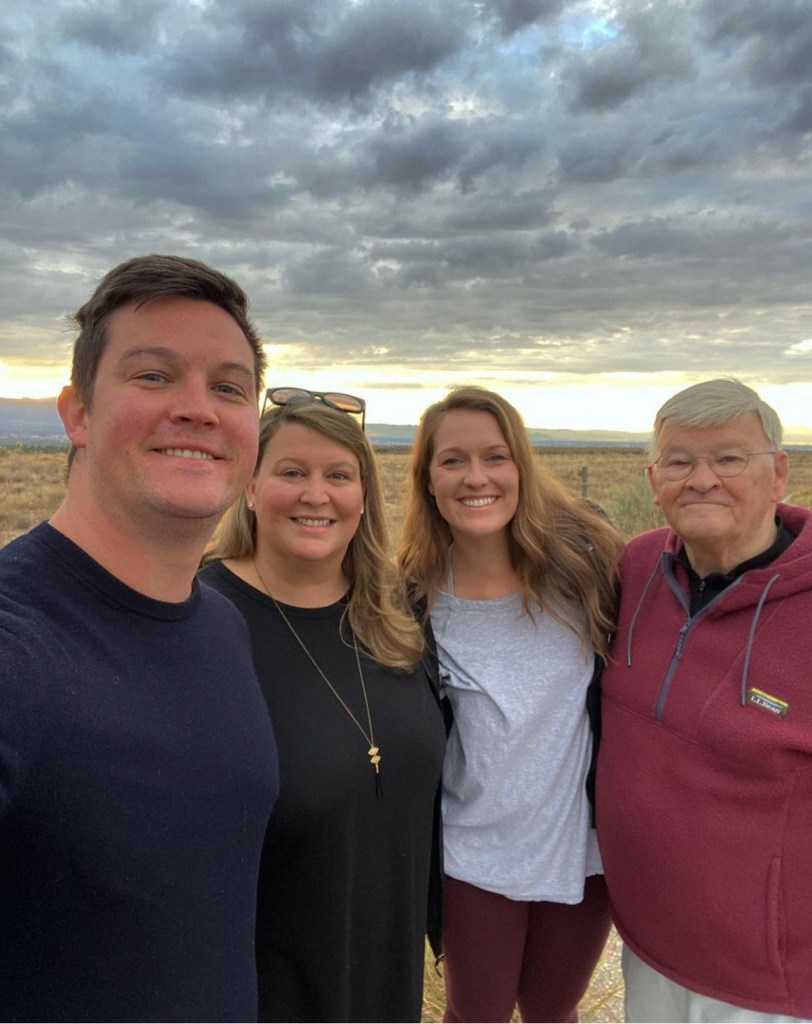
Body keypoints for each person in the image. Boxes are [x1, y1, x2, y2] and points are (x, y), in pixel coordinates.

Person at [0, 254, 279, 1022]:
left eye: (229, 387)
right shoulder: (19, 647)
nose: (198, 409)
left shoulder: (221, 624)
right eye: (154, 376)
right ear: (77, 413)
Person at [199, 392, 446, 1023]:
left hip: (385, 976)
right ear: (250, 487)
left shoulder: (398, 613)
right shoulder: (198, 617)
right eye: (292, 472)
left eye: (338, 475)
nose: (317, 495)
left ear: (363, 497)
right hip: (259, 987)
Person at [398, 386, 622, 1023]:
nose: (477, 478)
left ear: (520, 466)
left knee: (555, 1011)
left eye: (495, 457)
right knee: (478, 1016)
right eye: (453, 460)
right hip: (473, 855)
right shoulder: (409, 600)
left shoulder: (587, 568)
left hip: (583, 852)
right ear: (428, 480)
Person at [596, 377, 812, 1023]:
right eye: (679, 461)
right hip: (648, 949)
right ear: (654, 480)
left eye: (728, 458)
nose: (701, 479)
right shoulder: (636, 568)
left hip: (774, 987)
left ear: (778, 474)